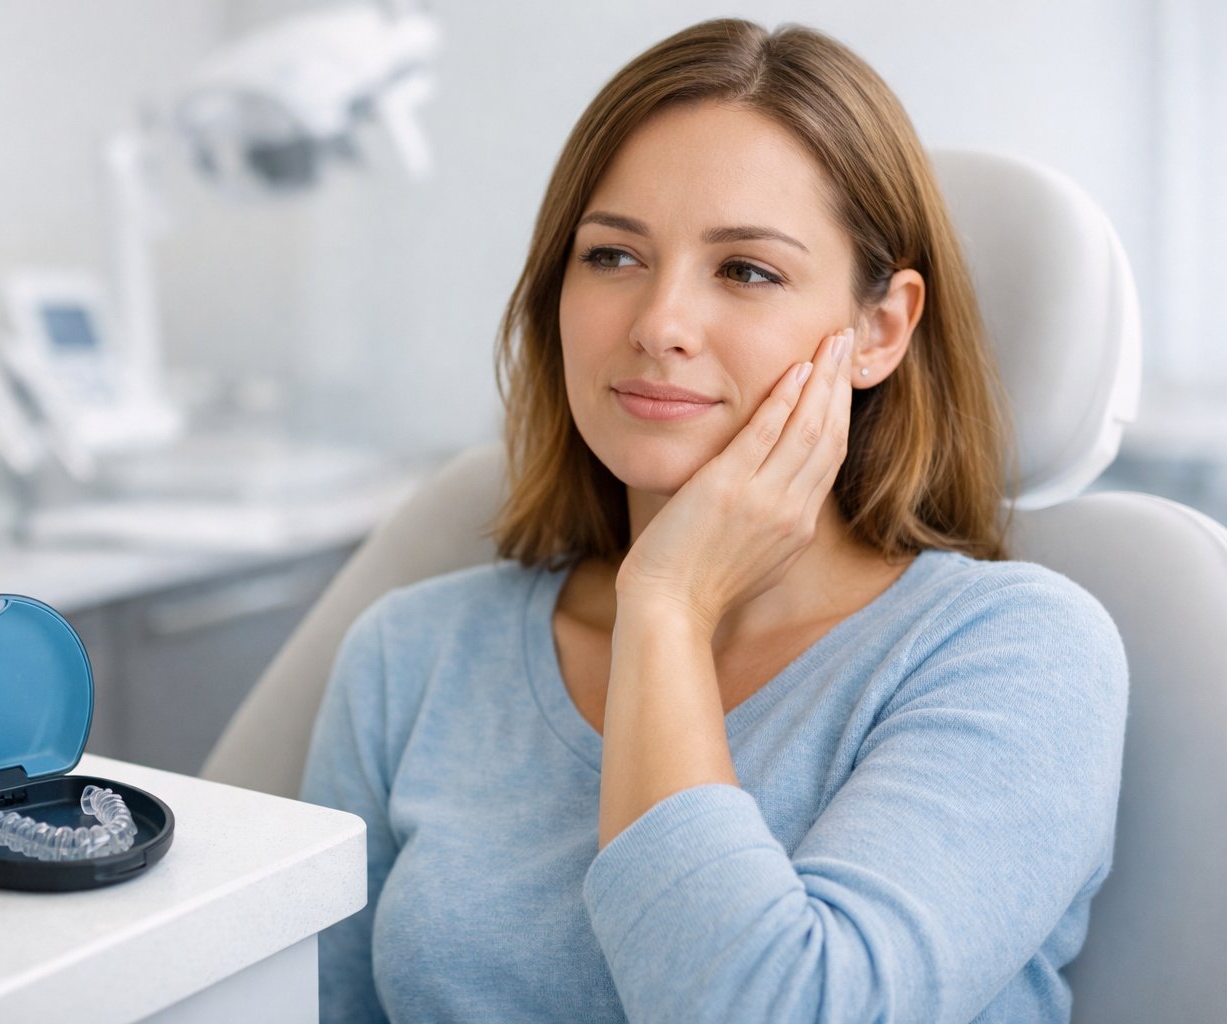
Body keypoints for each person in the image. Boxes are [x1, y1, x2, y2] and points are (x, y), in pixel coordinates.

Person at [300, 17, 1127, 1024]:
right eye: (611, 256)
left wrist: (668, 606)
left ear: (880, 329)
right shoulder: (410, 655)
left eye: (745, 270)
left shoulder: (1022, 653)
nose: (658, 325)